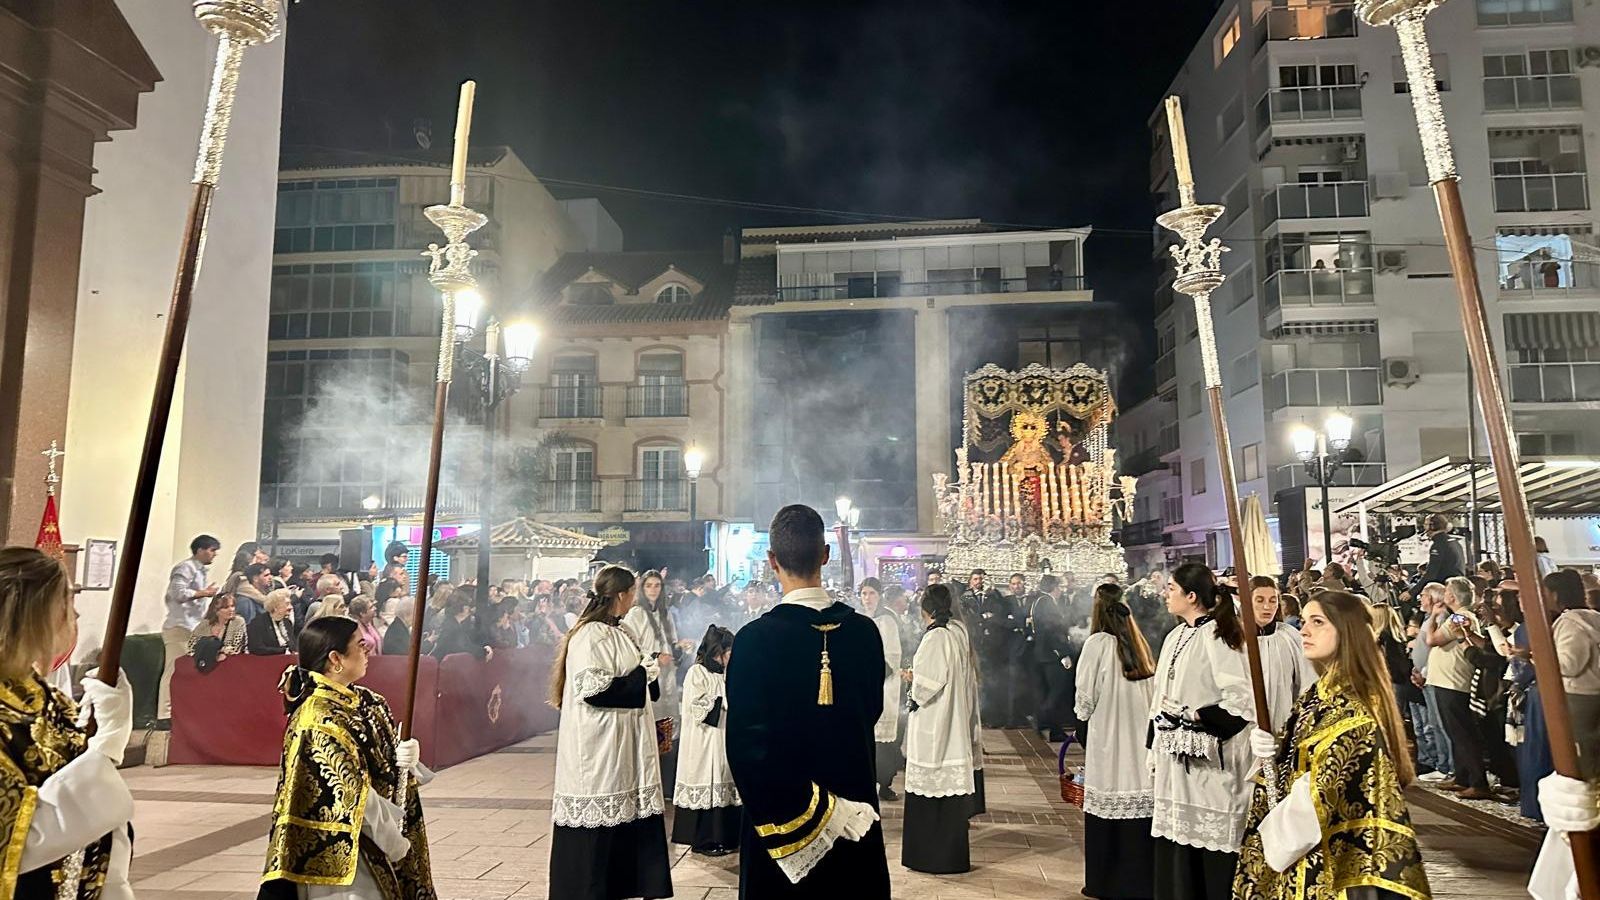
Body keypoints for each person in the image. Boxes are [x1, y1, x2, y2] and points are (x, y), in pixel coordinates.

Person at [725, 505, 889, 899]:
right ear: (826, 555)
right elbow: (871, 712)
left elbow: (746, 749)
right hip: (855, 814)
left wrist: (810, 811)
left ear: (771, 561)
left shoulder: (752, 640)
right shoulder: (865, 632)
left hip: (781, 828)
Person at [1234, 590, 1430, 899]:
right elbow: (1300, 756)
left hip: (1334, 862)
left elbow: (1325, 796)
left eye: (1318, 622)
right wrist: (1274, 751)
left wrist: (1271, 835)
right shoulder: (1318, 695)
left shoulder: (1355, 709)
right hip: (1309, 851)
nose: (1305, 630)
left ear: (1346, 631)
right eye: (1305, 621)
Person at [259, 616, 435, 898]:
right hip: (343, 858)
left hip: (378, 841)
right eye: (360, 644)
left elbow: (386, 768)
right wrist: (393, 841)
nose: (368, 650)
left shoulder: (368, 701)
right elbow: (352, 794)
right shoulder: (317, 718)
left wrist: (409, 761)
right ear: (335, 658)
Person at [0, 546, 135, 898]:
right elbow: (21, 837)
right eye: (65, 600)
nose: (73, 612)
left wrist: (103, 735)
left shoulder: (39, 692)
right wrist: (105, 751)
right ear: (31, 612)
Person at [547, 565, 672, 900]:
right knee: (596, 834)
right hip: (600, 747)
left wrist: (648, 672)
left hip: (624, 743)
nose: (634, 598)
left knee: (627, 819)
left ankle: (623, 886)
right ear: (621, 594)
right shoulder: (589, 635)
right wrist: (642, 674)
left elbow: (634, 672)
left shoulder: (621, 631)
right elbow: (594, 688)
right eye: (632, 591)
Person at [1148, 563, 1255, 900]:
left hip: (1210, 767)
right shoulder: (1174, 636)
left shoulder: (1221, 636)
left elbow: (1242, 701)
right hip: (1174, 764)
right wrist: (1154, 743)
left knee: (1211, 854)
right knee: (1176, 846)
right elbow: (1158, 696)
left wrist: (1196, 716)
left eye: (1172, 588)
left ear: (1191, 596)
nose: (1166, 594)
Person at [1073, 582, 1157, 900]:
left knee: (1109, 796)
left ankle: (1105, 881)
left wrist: (1081, 720)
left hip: (1109, 737)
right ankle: (1138, 880)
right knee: (1135, 798)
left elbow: (1085, 697)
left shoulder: (1097, 644)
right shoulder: (1139, 642)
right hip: (1139, 740)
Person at [901, 583, 978, 875]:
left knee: (931, 791)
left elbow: (927, 686)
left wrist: (911, 679)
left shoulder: (936, 637)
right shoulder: (955, 633)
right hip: (953, 718)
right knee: (948, 798)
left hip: (936, 725)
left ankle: (930, 857)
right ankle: (950, 855)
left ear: (926, 609)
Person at [672, 625, 741, 856]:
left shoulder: (728, 673)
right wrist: (725, 700)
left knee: (726, 781)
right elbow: (699, 709)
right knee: (709, 781)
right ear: (716, 650)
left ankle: (727, 837)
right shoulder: (697, 673)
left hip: (724, 739)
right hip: (705, 741)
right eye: (728, 650)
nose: (731, 655)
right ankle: (705, 840)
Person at [1428, 576, 1492, 799]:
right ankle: (1462, 776)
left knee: (1463, 733)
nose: (1444, 594)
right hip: (1447, 680)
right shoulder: (1460, 615)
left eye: (1446, 591)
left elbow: (1432, 639)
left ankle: (1478, 781)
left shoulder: (1460, 616)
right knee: (1455, 732)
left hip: (1453, 681)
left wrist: (1433, 617)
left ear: (1452, 596)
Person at [622, 570, 684, 794]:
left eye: (657, 585)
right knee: (651, 724)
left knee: (669, 725)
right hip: (650, 676)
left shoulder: (666, 614)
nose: (653, 590)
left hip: (668, 676)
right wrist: (656, 656)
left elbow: (672, 641)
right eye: (649, 585)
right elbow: (632, 647)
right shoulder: (636, 614)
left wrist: (678, 649)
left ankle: (667, 779)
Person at [161, 533, 221, 727]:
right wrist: (205, 593)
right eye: (212, 550)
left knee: (187, 671)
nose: (214, 554)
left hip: (192, 626)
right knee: (173, 670)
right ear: (200, 550)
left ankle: (180, 710)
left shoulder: (201, 570)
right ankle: (164, 713)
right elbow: (177, 593)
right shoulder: (185, 567)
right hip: (179, 626)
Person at [1547, 569, 1600, 778]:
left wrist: (1537, 658)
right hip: (1592, 692)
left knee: (1582, 755)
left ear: (1556, 594)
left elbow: (1569, 665)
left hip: (1579, 695)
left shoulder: (1571, 622)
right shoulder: (1594, 617)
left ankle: (1588, 802)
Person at [1247, 577, 1316, 733]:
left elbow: (1306, 681)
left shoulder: (1289, 636)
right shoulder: (1233, 638)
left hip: (1283, 719)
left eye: (1273, 601)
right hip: (1245, 727)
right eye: (1259, 600)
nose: (1267, 606)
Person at [858, 577, 904, 800]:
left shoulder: (887, 620)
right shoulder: (856, 619)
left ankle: (884, 783)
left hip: (884, 684)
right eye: (864, 594)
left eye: (872, 593)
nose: (867, 598)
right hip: (861, 686)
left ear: (879, 595)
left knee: (884, 741)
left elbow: (893, 656)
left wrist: (871, 673)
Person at [1029, 573, 1078, 743]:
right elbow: (1053, 630)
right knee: (1056, 693)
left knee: (1048, 692)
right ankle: (1053, 728)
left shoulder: (1038, 601)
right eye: (1059, 587)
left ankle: (1045, 723)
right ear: (1053, 587)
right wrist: (1063, 653)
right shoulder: (1047, 602)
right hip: (1052, 655)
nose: (1061, 591)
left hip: (1042, 653)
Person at [189, 593, 246, 658]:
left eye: (232, 606)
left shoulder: (238, 622)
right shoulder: (205, 624)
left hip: (233, 661)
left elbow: (235, 649)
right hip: (206, 660)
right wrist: (218, 652)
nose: (231, 609)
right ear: (216, 610)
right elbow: (192, 646)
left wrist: (209, 649)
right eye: (226, 607)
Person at [249, 589, 298, 655]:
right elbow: (257, 649)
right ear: (276, 607)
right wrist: (283, 651)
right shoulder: (257, 623)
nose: (291, 607)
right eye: (287, 604)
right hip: (269, 661)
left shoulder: (287, 622)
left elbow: (293, 646)